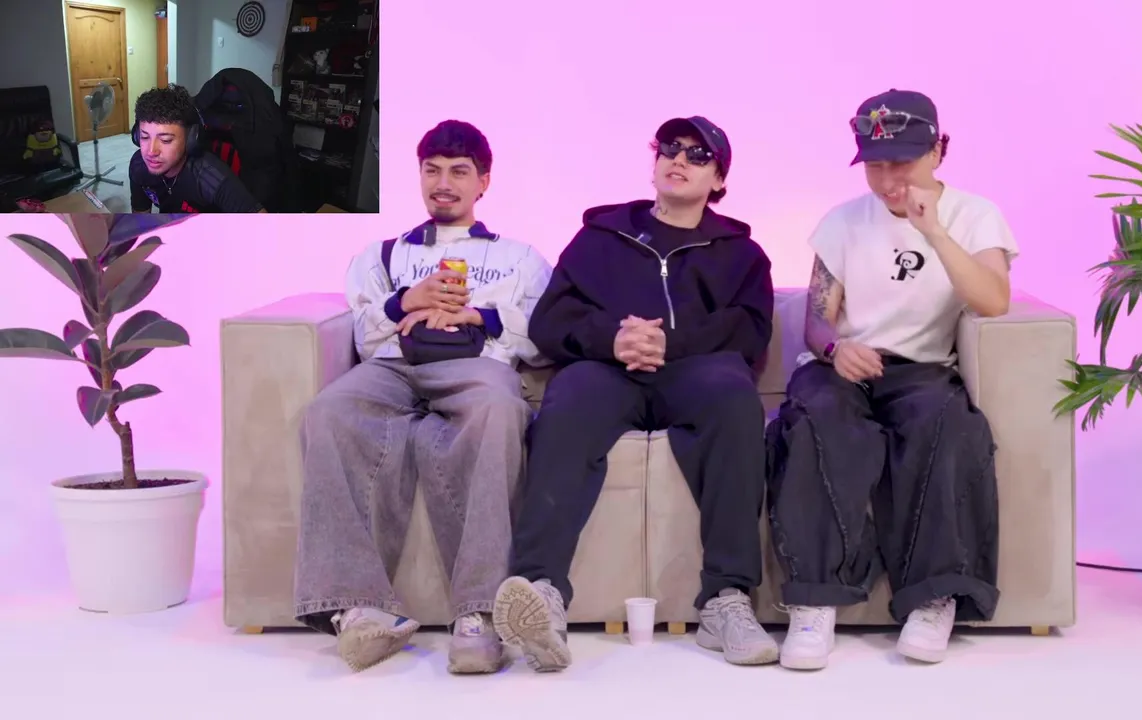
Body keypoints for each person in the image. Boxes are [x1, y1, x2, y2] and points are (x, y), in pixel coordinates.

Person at [492, 116, 778, 672]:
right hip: (608, 370)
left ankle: (726, 600)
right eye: (670, 148)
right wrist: (613, 339)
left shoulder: (742, 253)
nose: (679, 159)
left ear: (719, 179)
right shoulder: (601, 236)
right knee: (568, 401)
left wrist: (671, 341)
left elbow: (750, 330)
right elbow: (550, 322)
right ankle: (541, 593)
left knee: (735, 399)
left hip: (695, 370)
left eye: (698, 155)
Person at [765, 89, 1018, 670]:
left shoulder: (976, 216)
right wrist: (836, 348)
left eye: (901, 163)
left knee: (947, 425)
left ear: (938, 151)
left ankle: (933, 597)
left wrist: (934, 232)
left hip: (922, 369)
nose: (887, 180)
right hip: (844, 365)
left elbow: (994, 299)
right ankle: (815, 600)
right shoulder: (843, 221)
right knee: (814, 422)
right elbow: (816, 319)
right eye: (875, 166)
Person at [293, 120, 553, 674]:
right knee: (328, 411)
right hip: (392, 366)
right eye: (432, 170)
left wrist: (478, 316)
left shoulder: (520, 258)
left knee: (498, 411)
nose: (443, 183)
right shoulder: (383, 256)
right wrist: (404, 302)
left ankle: (479, 615)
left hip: (478, 367)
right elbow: (365, 337)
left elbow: (543, 337)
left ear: (483, 182)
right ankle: (358, 611)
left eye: (459, 172)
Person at [128, 84, 264, 213]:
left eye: (166, 140)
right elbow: (140, 218)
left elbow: (263, 223)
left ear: (191, 139)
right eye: (144, 137)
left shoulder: (209, 176)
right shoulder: (139, 165)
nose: (151, 152)